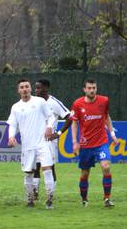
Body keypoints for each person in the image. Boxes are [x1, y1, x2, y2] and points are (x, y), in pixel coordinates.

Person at [6, 79, 58, 208]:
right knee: (28, 173)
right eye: (22, 87)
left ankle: (49, 200)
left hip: (43, 143)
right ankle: (30, 200)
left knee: (47, 169)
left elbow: (51, 116)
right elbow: (12, 124)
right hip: (28, 145)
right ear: (18, 90)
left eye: (27, 86)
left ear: (30, 89)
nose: (24, 89)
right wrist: (11, 136)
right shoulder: (16, 107)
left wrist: (49, 127)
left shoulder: (40, 102)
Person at [70, 78, 120, 207]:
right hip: (86, 145)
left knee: (106, 166)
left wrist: (112, 134)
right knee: (85, 173)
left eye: (94, 88)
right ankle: (84, 199)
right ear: (84, 89)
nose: (92, 90)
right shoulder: (77, 104)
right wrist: (75, 141)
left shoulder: (104, 101)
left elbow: (106, 116)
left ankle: (107, 199)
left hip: (101, 142)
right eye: (89, 88)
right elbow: (74, 123)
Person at [33, 79, 72, 200]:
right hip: (36, 139)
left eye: (39, 88)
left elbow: (69, 117)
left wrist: (58, 133)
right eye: (36, 88)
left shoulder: (54, 102)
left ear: (46, 88)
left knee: (50, 166)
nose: (36, 91)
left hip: (49, 140)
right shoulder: (34, 102)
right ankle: (35, 193)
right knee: (36, 166)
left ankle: (50, 195)